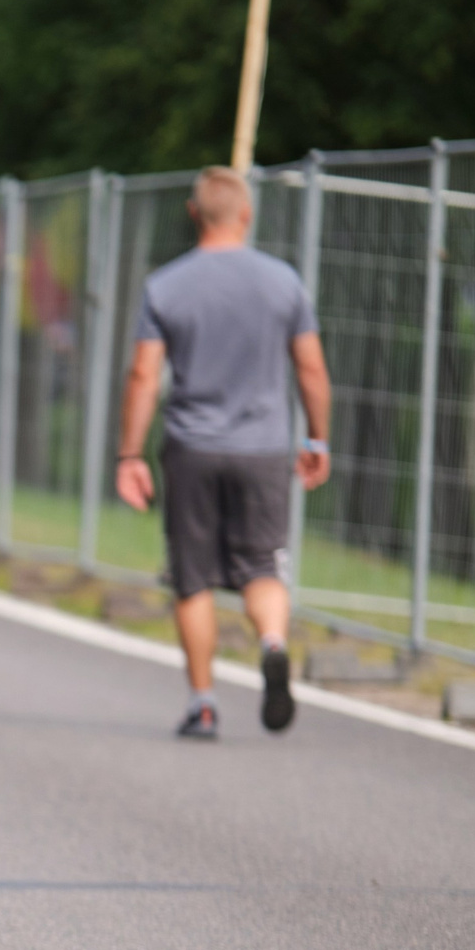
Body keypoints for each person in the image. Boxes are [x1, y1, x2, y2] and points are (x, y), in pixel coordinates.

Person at [116, 165, 333, 740]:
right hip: (264, 449)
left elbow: (143, 374)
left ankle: (204, 702)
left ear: (193, 215)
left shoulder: (166, 285)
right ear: (247, 214)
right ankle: (272, 643)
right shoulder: (283, 281)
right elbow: (310, 366)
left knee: (193, 579)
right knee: (263, 567)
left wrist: (129, 455)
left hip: (192, 445)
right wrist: (316, 438)